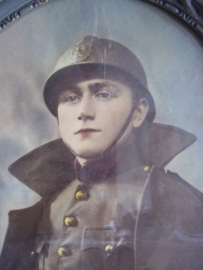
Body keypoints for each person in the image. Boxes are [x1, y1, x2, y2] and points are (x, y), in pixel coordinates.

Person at [0, 36, 203, 270]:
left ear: (138, 112)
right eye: (71, 98)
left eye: (103, 94)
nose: (83, 112)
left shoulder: (171, 200)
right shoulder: (50, 205)